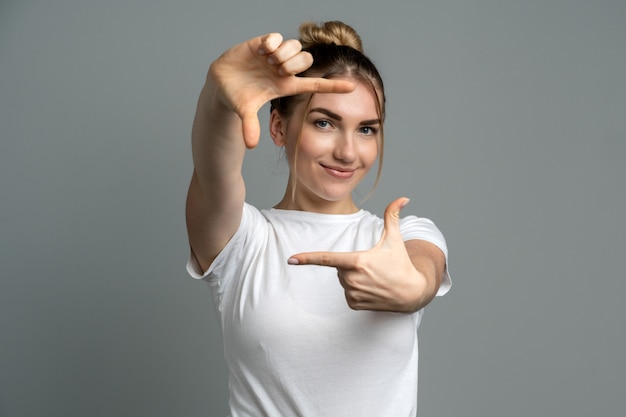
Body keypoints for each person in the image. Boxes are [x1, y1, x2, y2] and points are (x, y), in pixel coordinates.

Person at [185, 20, 451, 417]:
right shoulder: (242, 241)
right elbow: (213, 171)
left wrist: (413, 287)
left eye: (366, 129)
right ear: (278, 126)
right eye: (324, 122)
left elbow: (423, 272)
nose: (347, 151)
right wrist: (217, 99)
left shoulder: (401, 234)